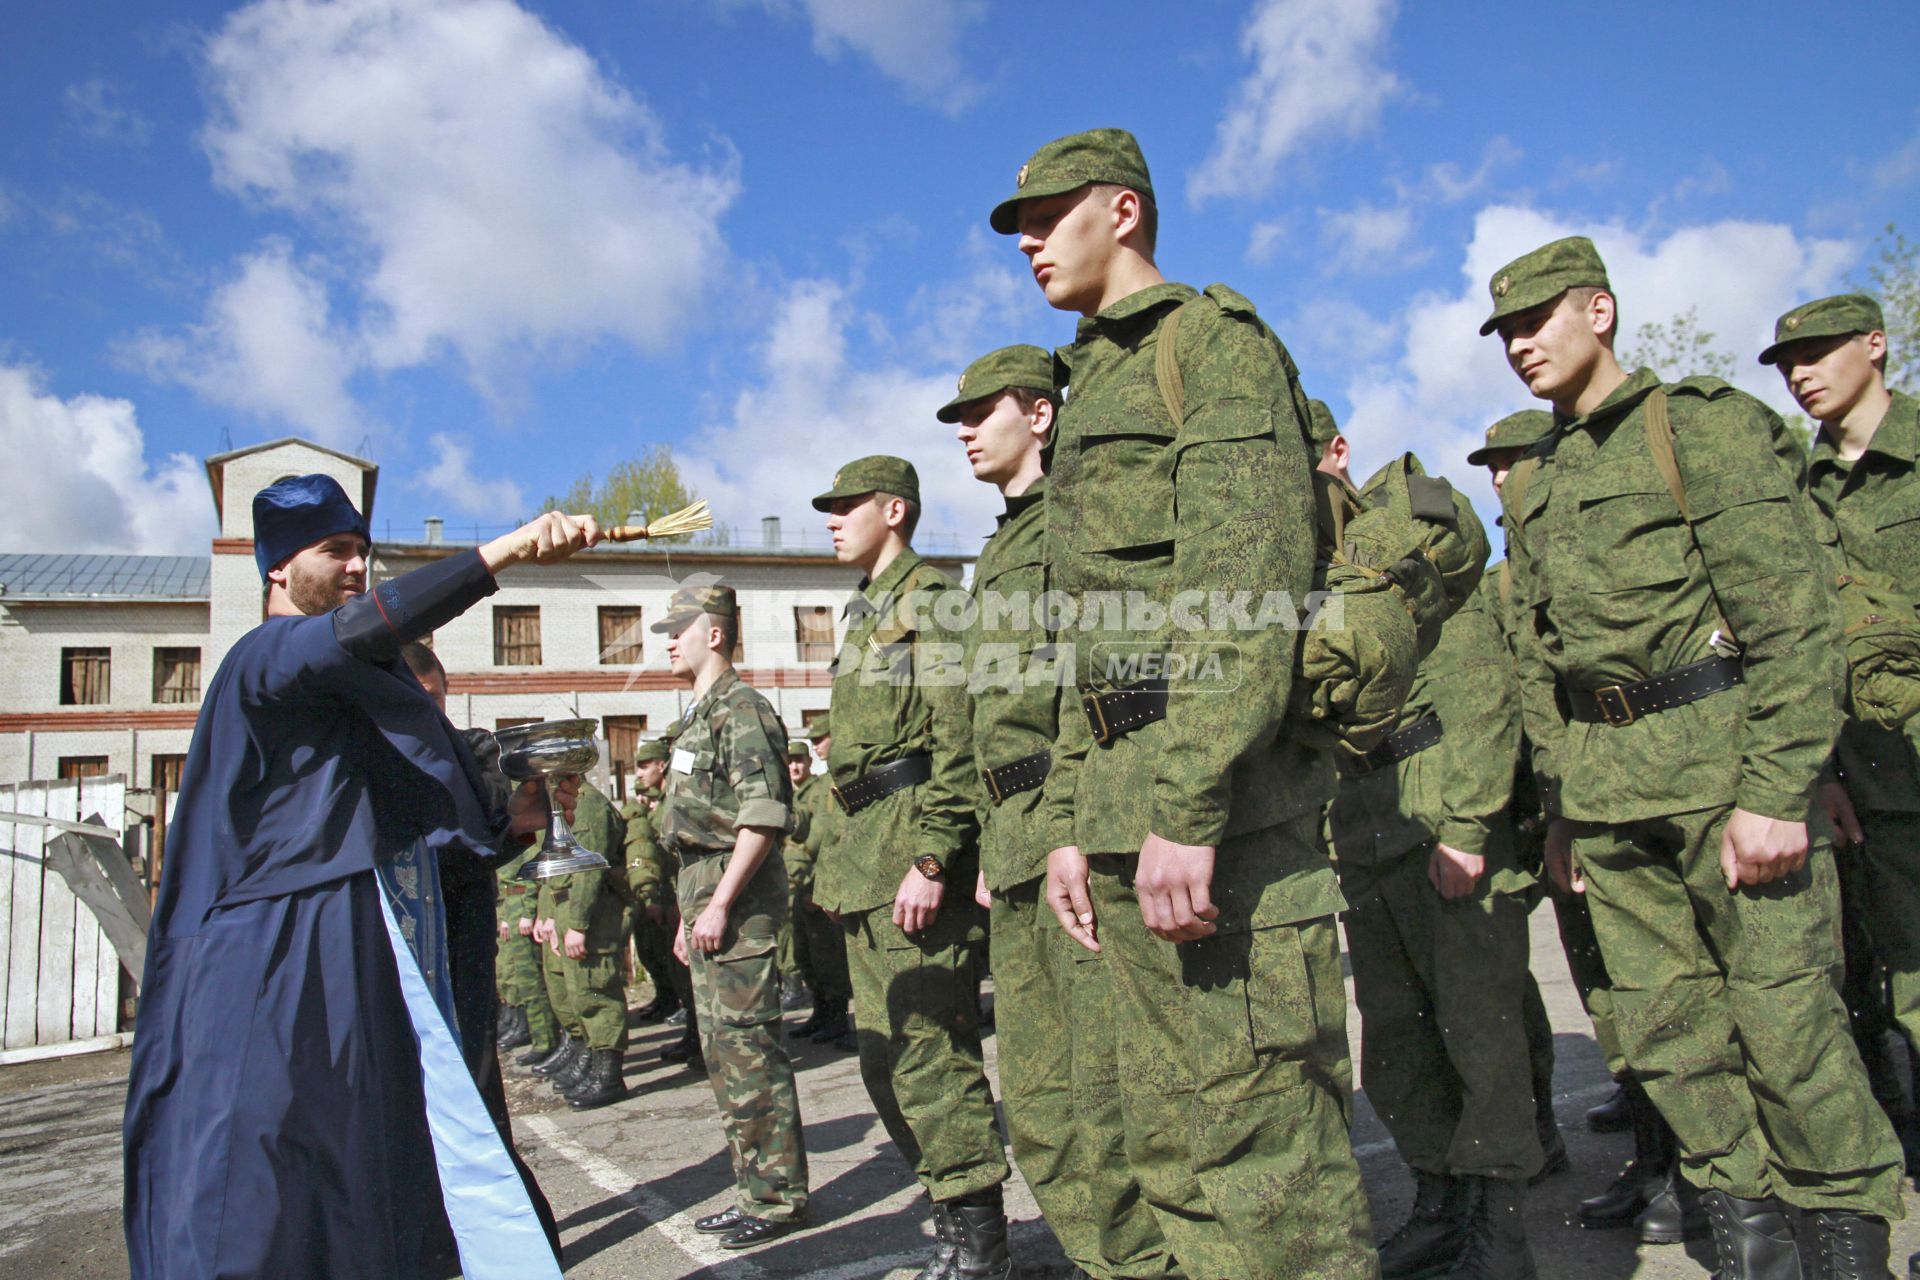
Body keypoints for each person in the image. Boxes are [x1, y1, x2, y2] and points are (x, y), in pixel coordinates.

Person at [992, 128, 1374, 1278]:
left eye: (1047, 217)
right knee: (1169, 1153)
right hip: (1117, 818)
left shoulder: (1212, 347)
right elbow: (1081, 639)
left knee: (1261, 1158)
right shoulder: (1091, 378)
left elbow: (1246, 591)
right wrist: (1065, 816)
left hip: (1215, 824)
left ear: (1122, 208)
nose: (1027, 244)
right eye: (1016, 228)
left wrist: (1190, 800)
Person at [1484, 236, 1904, 1278]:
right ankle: (1753, 1238)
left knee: (1789, 1025)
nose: (1521, 345)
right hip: (1611, 795)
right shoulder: (1537, 479)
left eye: (1540, 320)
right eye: (1506, 333)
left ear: (1603, 312)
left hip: (1726, 773)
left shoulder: (1695, 427)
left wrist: (1780, 787)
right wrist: (1564, 806)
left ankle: (1846, 1243)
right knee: (1673, 1038)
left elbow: (1793, 620)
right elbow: (1541, 659)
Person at [123, 474, 598, 1279]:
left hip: (355, 956)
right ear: (277, 568)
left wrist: (517, 821)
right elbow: (352, 629)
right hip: (270, 967)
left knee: (371, 1181)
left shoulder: (349, 692)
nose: (355, 566)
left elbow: (412, 834)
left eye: (361, 551)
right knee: (264, 1193)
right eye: (333, 551)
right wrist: (505, 553)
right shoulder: (267, 657)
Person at [942, 343, 1176, 1280]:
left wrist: (1071, 824)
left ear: (1038, 414)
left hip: (1067, 827)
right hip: (1013, 844)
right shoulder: (998, 549)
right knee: (1041, 1110)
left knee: (1109, 1094)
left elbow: (1097, 685)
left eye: (978, 412)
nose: (963, 431)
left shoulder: (1077, 518)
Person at [1315, 405, 1542, 1276]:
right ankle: (1442, 1204)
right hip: (1366, 824)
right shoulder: (1310, 561)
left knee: (1478, 1033)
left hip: (1441, 808)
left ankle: (1501, 1228)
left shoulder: (1411, 521)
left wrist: (1470, 825)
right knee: (1399, 1040)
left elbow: (1480, 679)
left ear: (1336, 451)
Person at [811, 455, 1014, 1278]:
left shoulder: (931, 602)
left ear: (893, 510)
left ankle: (978, 1237)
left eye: (846, 505)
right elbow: (846, 763)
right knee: (879, 1055)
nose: (831, 519)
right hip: (864, 858)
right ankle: (948, 1202)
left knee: (930, 1050)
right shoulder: (865, 614)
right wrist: (831, 864)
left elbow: (956, 740)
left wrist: (934, 859)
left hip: (911, 853)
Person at [1764, 292, 1920, 1170]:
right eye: (1789, 361)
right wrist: (1815, 775)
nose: (1801, 372)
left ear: (1877, 344)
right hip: (1854, 784)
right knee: (1878, 987)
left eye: (1820, 352)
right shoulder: (1788, 484)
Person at [652, 582, 810, 1248]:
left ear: (713, 634)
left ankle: (776, 1199)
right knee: (724, 1054)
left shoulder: (741, 710)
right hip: (704, 892)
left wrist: (718, 906)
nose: (667, 640)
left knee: (750, 1051)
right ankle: (754, 1189)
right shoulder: (695, 715)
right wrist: (694, 914)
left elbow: (762, 818)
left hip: (735, 903)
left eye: (678, 629)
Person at [397, 641, 563, 1250]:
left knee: (477, 1100)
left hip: (459, 955)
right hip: (394, 959)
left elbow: (504, 826)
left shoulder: (474, 752)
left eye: (434, 702)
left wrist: (528, 809)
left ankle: (526, 1245)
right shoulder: (377, 758)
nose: (427, 717)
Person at [545, 780, 632, 1110]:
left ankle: (609, 1076)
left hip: (594, 915)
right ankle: (594, 1064)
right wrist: (556, 917)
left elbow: (589, 868)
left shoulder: (590, 805)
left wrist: (578, 924)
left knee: (597, 991)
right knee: (579, 992)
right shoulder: (568, 805)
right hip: (573, 909)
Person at [788, 714, 854, 1049]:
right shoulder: (810, 789)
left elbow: (820, 838)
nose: (818, 746)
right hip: (805, 884)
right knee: (808, 954)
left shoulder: (830, 783)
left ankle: (838, 1018)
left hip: (819, 881)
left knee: (829, 956)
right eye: (812, 742)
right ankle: (822, 1012)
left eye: (820, 739)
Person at [623, 738, 685, 1026]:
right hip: (663, 895)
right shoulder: (657, 805)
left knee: (682, 963)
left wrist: (670, 901)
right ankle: (670, 1000)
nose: (639, 773)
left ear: (663, 765)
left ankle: (691, 1019)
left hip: (678, 895)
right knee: (661, 956)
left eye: (645, 766)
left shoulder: (675, 802)